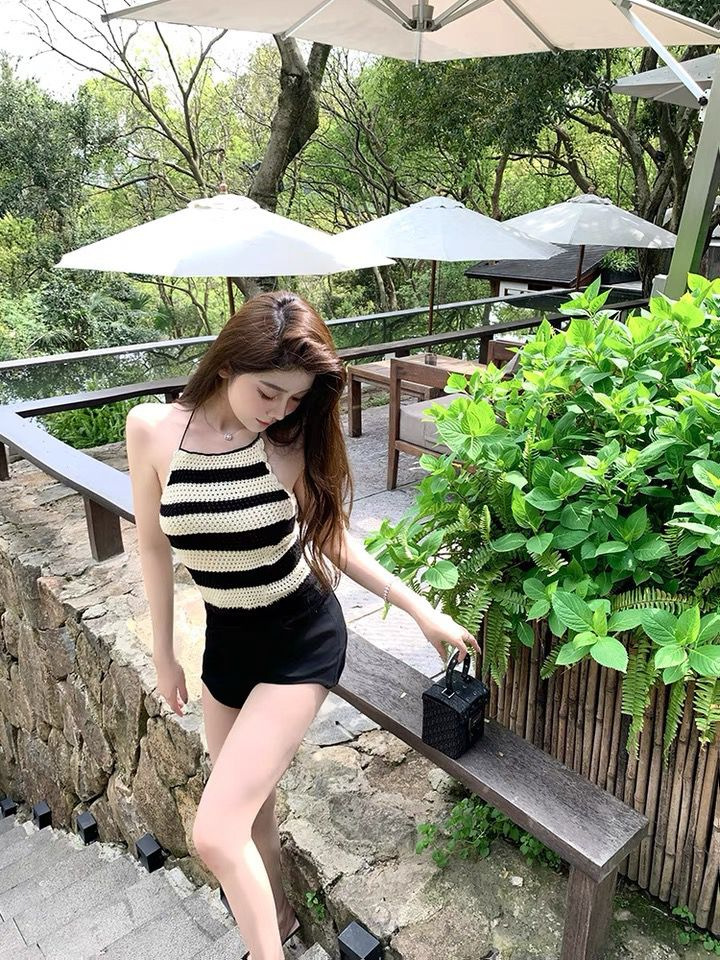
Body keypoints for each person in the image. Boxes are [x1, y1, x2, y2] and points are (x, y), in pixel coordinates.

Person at [124, 290, 481, 960]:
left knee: (214, 833)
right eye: (269, 392)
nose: (280, 410)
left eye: (295, 399)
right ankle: (282, 919)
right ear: (228, 363)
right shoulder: (150, 429)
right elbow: (151, 546)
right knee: (249, 817)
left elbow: (333, 538)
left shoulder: (284, 443)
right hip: (228, 643)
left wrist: (419, 608)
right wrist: (165, 655)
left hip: (300, 639)